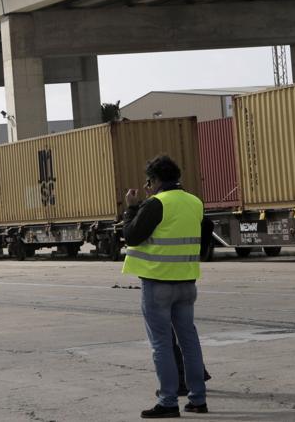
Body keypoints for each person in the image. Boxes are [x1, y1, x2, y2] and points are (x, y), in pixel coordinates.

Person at [122, 155, 208, 417]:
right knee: (189, 341)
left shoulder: (155, 204)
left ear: (155, 180)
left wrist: (132, 208)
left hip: (158, 283)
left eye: (150, 180)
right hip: (186, 283)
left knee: (161, 344)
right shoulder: (195, 202)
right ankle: (197, 399)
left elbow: (132, 236)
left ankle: (169, 401)